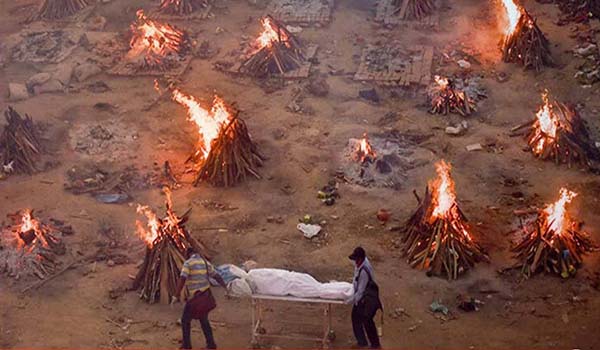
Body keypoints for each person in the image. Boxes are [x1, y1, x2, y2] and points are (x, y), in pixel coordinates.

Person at [175, 248, 227, 349]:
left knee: (185, 320)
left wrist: (176, 295)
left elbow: (182, 279)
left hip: (195, 298)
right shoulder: (205, 262)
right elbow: (216, 276)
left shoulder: (188, 263)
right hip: (205, 297)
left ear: (188, 254)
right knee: (204, 320)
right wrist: (225, 287)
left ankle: (186, 345)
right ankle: (211, 344)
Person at [346, 246, 382, 349]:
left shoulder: (364, 272)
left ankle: (374, 345)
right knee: (360, 319)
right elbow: (355, 278)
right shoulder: (360, 264)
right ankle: (366, 342)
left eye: (356, 260)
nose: (355, 263)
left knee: (366, 321)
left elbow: (361, 291)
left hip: (366, 300)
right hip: (363, 298)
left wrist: (350, 300)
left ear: (361, 259)